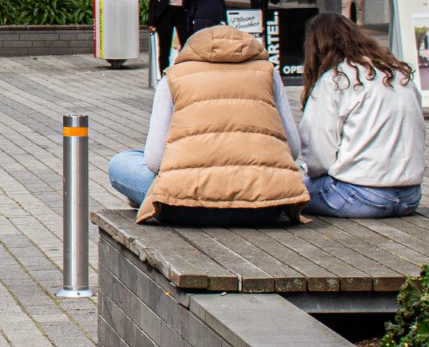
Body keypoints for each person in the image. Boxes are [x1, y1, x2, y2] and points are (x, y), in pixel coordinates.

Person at [107, 25, 307, 226]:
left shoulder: (173, 77)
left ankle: (141, 199)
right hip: (264, 207)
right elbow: (293, 149)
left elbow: (154, 160)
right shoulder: (269, 73)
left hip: (184, 207)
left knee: (123, 161)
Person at [297, 13, 424, 218]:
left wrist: (311, 171)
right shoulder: (399, 74)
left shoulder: (336, 79)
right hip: (410, 195)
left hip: (359, 194)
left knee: (289, 191)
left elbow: (317, 154)